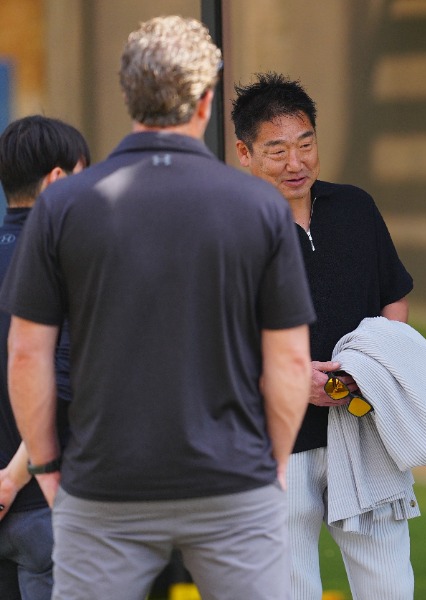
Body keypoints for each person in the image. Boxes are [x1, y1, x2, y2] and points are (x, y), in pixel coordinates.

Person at [0, 17, 316, 600]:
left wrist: (44, 470)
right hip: (232, 484)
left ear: (128, 94)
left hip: (103, 488)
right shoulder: (258, 207)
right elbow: (292, 363)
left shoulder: (63, 205)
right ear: (206, 99)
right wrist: (270, 468)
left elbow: (27, 355)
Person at [231, 72, 415, 600]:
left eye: (306, 143)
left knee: (390, 586)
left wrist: (371, 368)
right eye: (277, 150)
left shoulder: (355, 208)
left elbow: (393, 295)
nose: (297, 163)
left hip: (364, 429)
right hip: (272, 441)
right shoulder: (229, 229)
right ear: (244, 153)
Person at [0, 115, 89, 600]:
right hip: (49, 506)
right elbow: (59, 380)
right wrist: (12, 480)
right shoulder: (68, 263)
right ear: (57, 180)